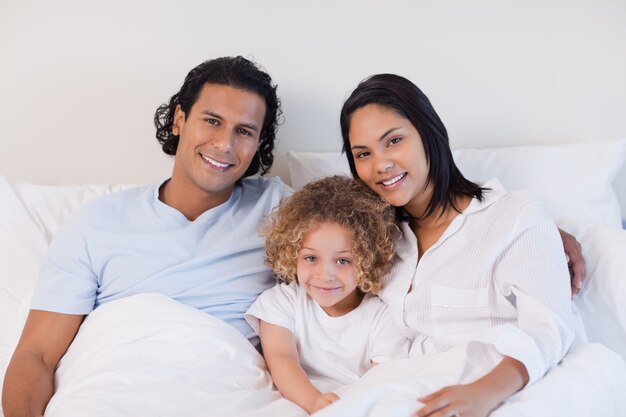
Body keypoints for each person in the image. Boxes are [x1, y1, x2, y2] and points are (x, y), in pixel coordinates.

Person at [1, 56, 289, 417]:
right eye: (212, 121)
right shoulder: (98, 221)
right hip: (112, 386)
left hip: (226, 387)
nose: (224, 144)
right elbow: (36, 355)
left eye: (244, 131)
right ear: (180, 119)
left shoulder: (282, 212)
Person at [339, 74, 578, 417]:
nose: (380, 165)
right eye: (363, 153)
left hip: (501, 390)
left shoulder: (514, 216)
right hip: (408, 393)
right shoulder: (377, 238)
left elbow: (550, 327)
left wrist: (482, 395)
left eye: (393, 141)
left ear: (429, 133)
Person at [246, 175, 410, 414]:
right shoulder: (282, 302)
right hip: (301, 400)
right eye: (311, 258)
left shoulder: (383, 315)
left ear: (367, 260)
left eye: (343, 260)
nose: (325, 274)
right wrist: (315, 401)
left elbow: (382, 381)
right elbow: (281, 359)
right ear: (293, 254)